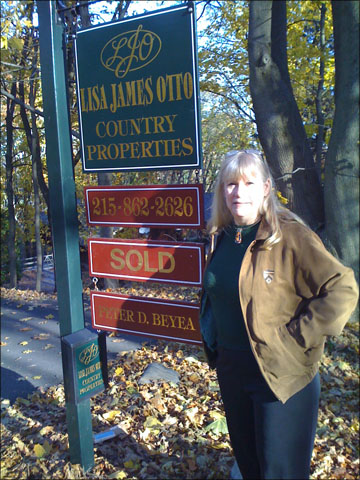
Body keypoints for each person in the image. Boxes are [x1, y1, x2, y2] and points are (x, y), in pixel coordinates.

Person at [200, 149, 358, 480]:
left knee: (280, 471)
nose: (238, 192)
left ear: (266, 188)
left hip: (281, 374)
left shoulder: (289, 234)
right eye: (230, 184)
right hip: (232, 367)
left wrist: (295, 338)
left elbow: (342, 288)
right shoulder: (221, 235)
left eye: (248, 182)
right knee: (249, 465)